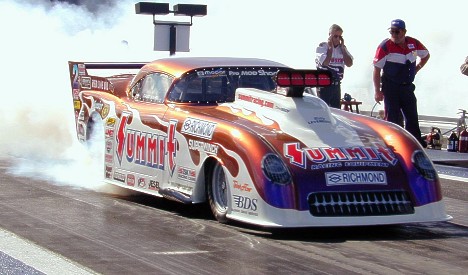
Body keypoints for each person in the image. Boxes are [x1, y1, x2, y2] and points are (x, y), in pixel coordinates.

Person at [373, 19, 430, 147]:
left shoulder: (413, 44)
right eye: (391, 31)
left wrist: (417, 68)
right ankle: (391, 144)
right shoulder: (385, 47)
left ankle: (415, 144)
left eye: (397, 32)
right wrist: (377, 91)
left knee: (412, 117)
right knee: (393, 118)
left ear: (404, 32)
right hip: (391, 87)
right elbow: (376, 69)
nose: (394, 35)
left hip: (407, 86)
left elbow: (425, 55)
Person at [315, 24, 353, 108]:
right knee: (324, 110)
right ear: (330, 35)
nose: (337, 39)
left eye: (340, 37)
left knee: (336, 111)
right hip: (324, 85)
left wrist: (343, 49)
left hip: (336, 85)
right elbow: (325, 62)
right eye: (335, 36)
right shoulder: (322, 47)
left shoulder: (342, 48)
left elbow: (349, 63)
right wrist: (330, 49)